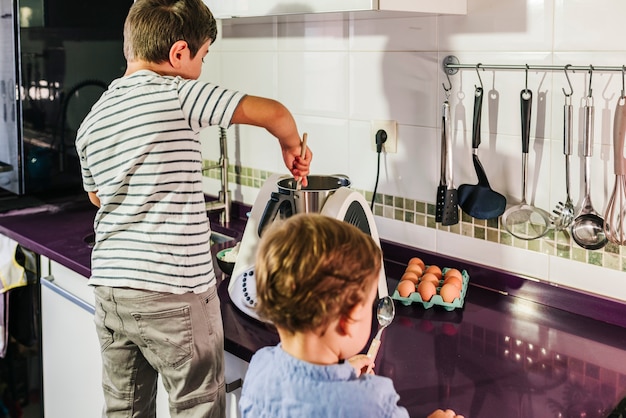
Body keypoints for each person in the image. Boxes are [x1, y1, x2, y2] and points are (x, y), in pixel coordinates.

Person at [75, 0, 311, 416]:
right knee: (196, 408)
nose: (203, 65)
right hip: (174, 291)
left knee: (124, 410)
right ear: (179, 53)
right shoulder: (178, 93)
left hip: (112, 289)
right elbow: (275, 113)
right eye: (204, 56)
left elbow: (96, 197)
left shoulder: (93, 118)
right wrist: (293, 148)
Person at [240, 214, 464, 418]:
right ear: (348, 319)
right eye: (369, 306)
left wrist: (341, 372)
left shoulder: (260, 366)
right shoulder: (372, 403)